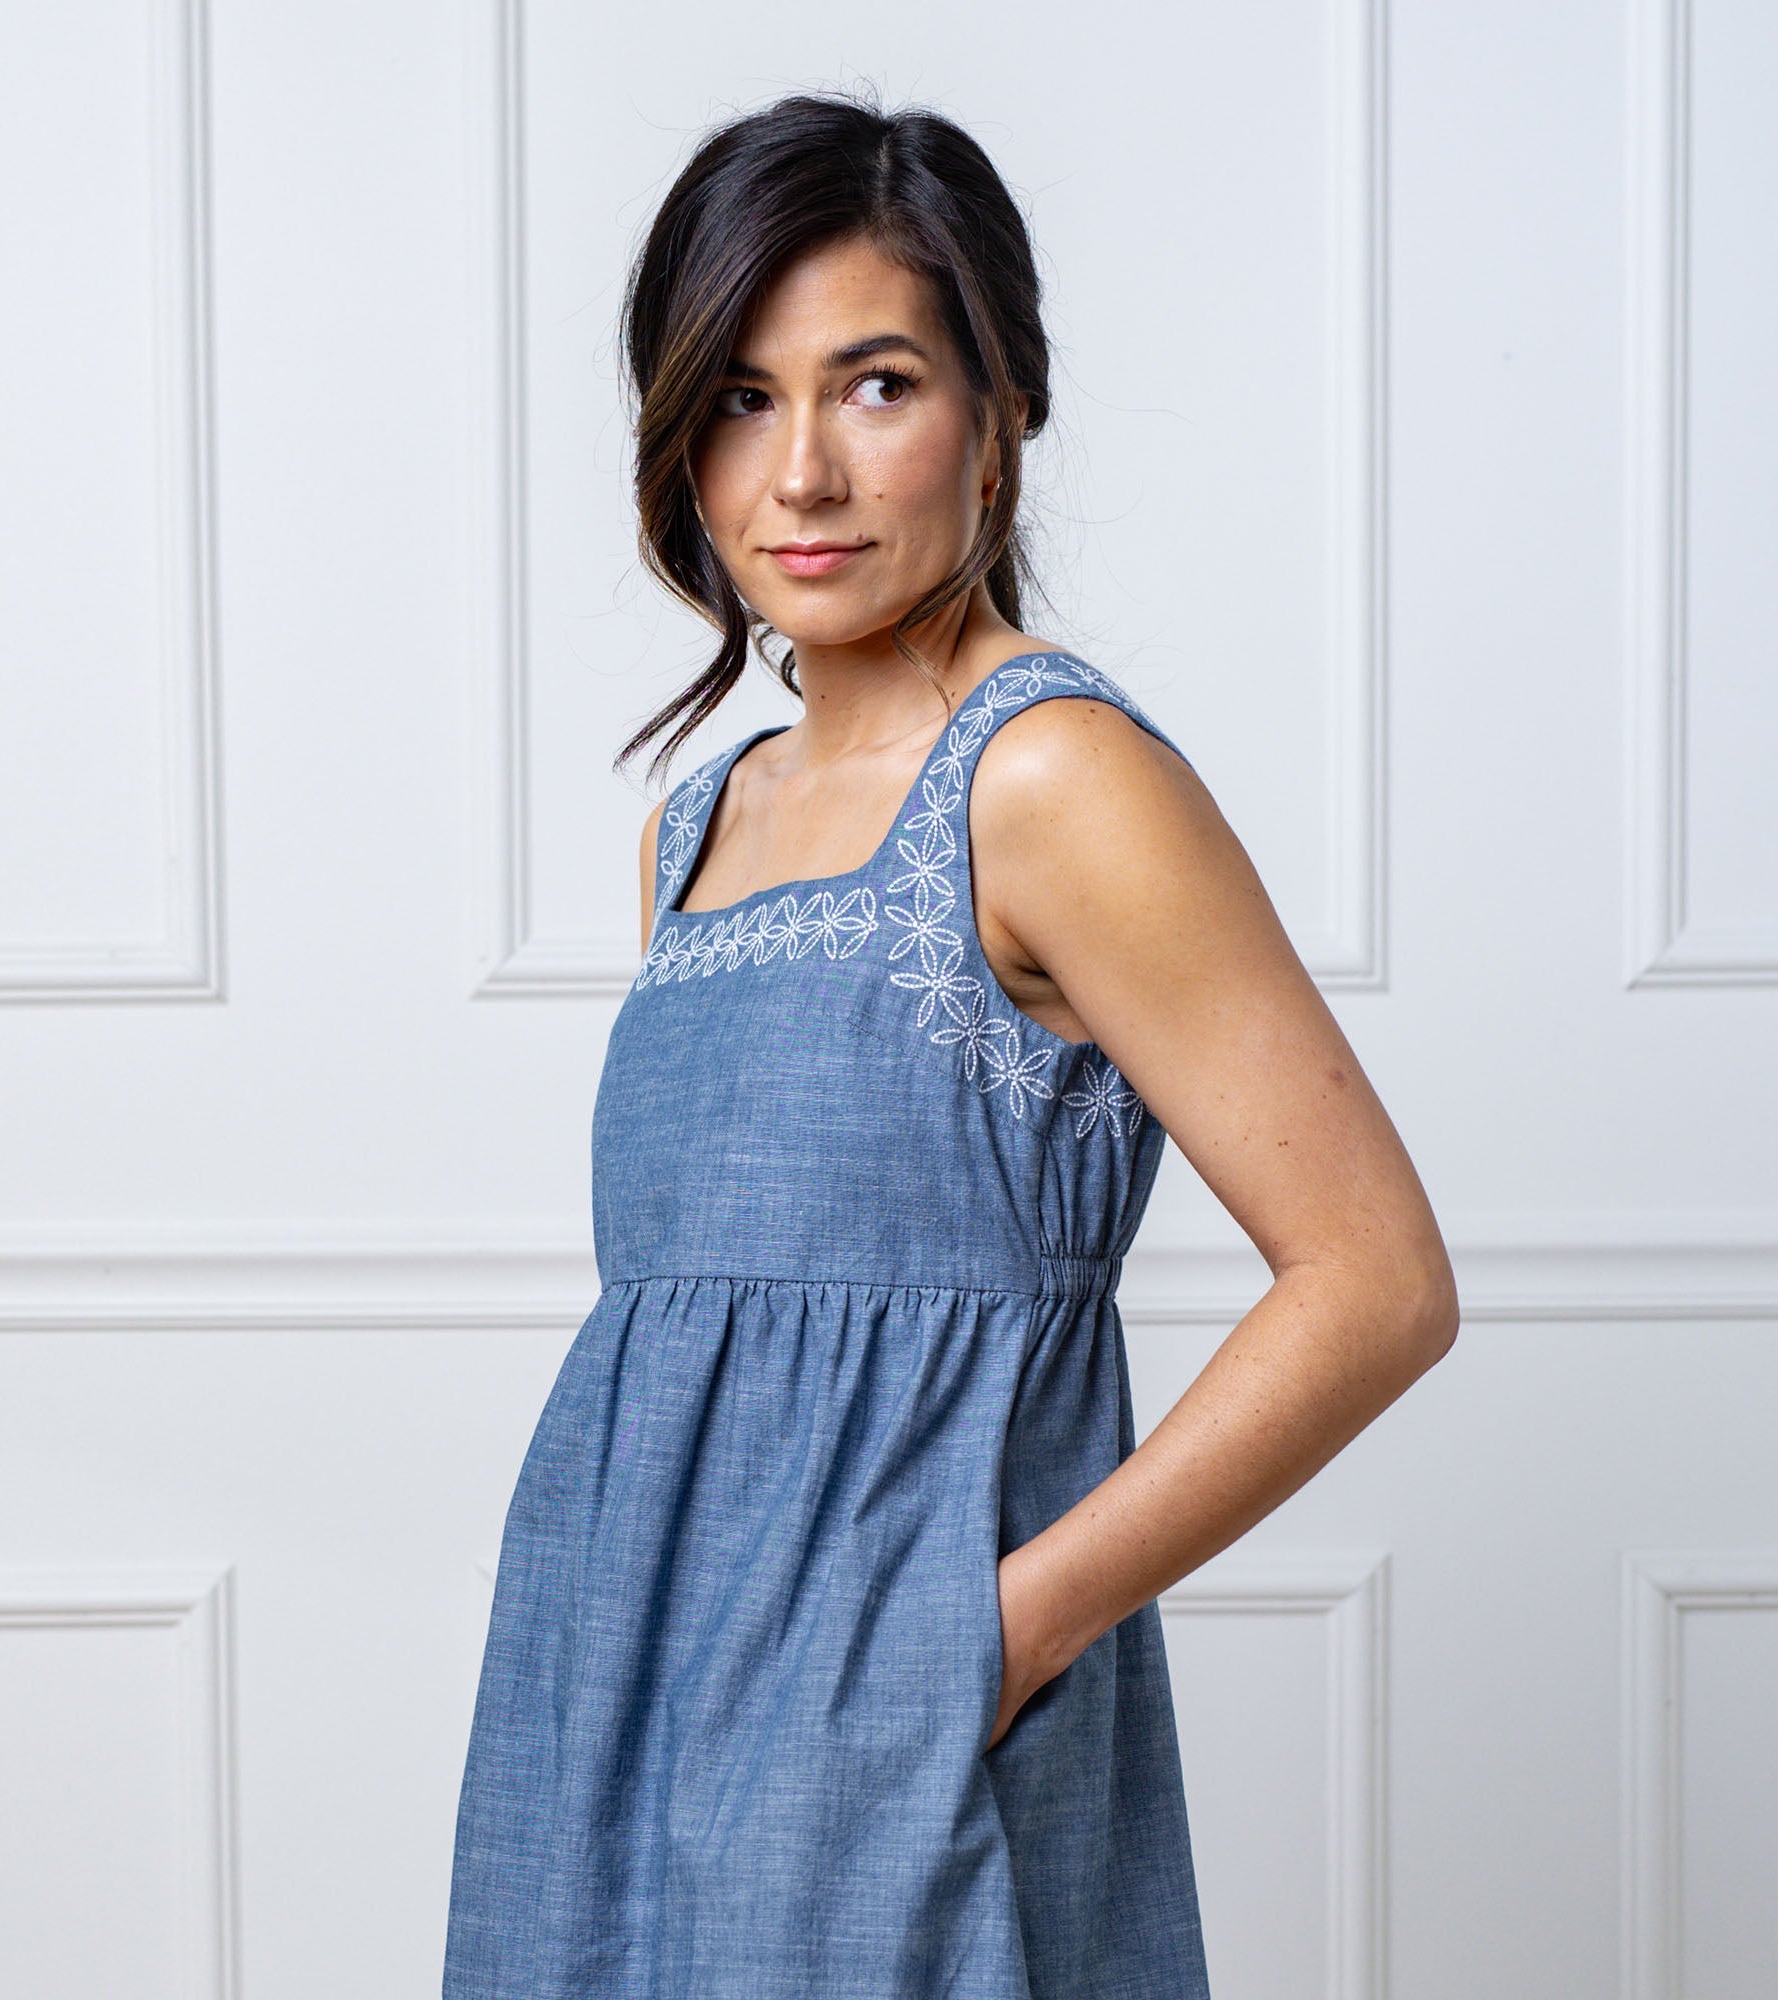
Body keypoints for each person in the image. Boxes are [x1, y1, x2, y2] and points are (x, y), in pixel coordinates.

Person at [443, 88, 1457, 1999]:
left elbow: (1378, 1282)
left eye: (878, 385)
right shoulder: (696, 823)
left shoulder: (1054, 780)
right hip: (612, 1691)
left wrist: (1000, 1634)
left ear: (1003, 412)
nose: (802, 473)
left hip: (898, 1714)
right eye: (739, 398)